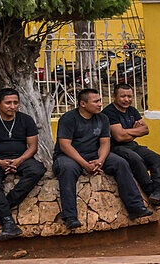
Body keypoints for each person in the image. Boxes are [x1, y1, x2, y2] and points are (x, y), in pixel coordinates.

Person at [54, 89, 153, 230]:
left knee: (120, 163)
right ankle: (70, 217)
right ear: (83, 104)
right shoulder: (68, 118)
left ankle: (136, 208)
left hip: (94, 155)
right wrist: (84, 164)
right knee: (67, 169)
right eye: (96, 101)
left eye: (100, 100)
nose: (100, 104)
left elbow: (105, 143)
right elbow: (65, 145)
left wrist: (100, 160)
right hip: (69, 156)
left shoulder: (103, 118)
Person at [0, 88, 46, 239]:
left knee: (37, 169)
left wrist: (19, 160)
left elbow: (33, 147)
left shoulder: (26, 120)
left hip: (20, 159)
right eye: (8, 103)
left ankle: (4, 205)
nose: (12, 106)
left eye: (15, 103)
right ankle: (8, 222)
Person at [104, 84, 160, 207]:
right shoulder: (109, 112)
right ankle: (150, 191)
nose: (126, 99)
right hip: (115, 148)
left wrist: (126, 132)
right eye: (123, 96)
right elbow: (119, 137)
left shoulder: (132, 110)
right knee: (136, 159)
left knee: (156, 158)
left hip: (132, 144)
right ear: (114, 96)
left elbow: (145, 130)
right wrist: (134, 132)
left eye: (129, 96)